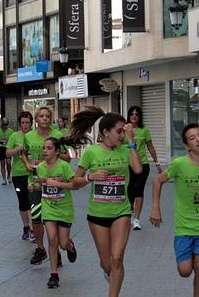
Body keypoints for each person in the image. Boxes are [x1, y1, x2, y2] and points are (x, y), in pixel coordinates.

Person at [47, 106, 142, 297]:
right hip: (97, 215)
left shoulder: (126, 150)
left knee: (117, 259)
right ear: (105, 132)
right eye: (119, 131)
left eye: (124, 131)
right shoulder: (91, 153)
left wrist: (131, 141)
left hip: (121, 212)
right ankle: (109, 272)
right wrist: (91, 177)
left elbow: (138, 169)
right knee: (107, 263)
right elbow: (75, 182)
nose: (122, 135)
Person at [150, 123, 199, 297]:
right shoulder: (179, 164)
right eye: (192, 138)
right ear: (186, 146)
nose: (198, 139)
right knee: (184, 270)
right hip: (184, 225)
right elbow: (158, 181)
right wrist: (155, 208)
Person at [22, 106, 70, 264]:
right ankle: (41, 249)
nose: (44, 119)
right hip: (35, 182)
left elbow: (67, 157)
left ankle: (55, 250)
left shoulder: (57, 135)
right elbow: (23, 152)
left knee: (53, 217)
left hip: (54, 182)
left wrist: (51, 158)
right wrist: (27, 163)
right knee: (36, 216)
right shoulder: (29, 136)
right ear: (36, 120)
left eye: (47, 116)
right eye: (41, 116)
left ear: (50, 119)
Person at [32, 137, 78, 289]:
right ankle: (54, 275)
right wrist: (34, 186)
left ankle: (70, 246)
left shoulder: (64, 166)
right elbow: (39, 183)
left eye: (49, 148)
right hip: (48, 208)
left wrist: (58, 184)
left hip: (64, 208)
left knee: (62, 244)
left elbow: (74, 185)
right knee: (52, 239)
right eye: (44, 148)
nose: (45, 150)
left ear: (57, 151)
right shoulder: (40, 168)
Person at [126, 106, 162, 231]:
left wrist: (157, 163)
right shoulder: (125, 129)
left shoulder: (144, 130)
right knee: (129, 190)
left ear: (140, 116)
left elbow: (150, 146)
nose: (134, 116)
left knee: (138, 190)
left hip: (143, 164)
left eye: (137, 114)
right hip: (128, 164)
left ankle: (136, 219)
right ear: (129, 116)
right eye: (132, 114)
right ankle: (128, 214)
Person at [6, 111, 34, 241]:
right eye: (22, 123)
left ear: (31, 123)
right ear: (19, 123)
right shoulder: (14, 136)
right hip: (18, 174)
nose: (25, 125)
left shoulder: (35, 136)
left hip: (32, 173)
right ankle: (26, 226)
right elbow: (7, 153)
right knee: (22, 202)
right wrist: (19, 149)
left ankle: (34, 229)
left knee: (32, 201)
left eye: (27, 122)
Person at [0, 118, 15, 185]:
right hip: (1, 148)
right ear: (1, 124)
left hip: (8, 149)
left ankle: (9, 175)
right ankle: (4, 179)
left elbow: (13, 140)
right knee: (2, 164)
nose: (5, 126)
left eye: (6, 124)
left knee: (9, 163)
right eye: (4, 124)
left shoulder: (11, 131)